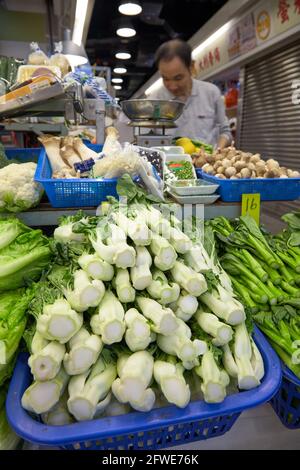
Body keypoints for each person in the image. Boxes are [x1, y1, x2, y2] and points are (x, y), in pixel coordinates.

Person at [148, 39, 232, 149]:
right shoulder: (154, 100)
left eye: (178, 78)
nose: (172, 86)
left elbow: (225, 132)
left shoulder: (211, 93)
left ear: (191, 67)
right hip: (170, 164)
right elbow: (148, 139)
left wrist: (218, 151)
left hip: (207, 164)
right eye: (165, 79)